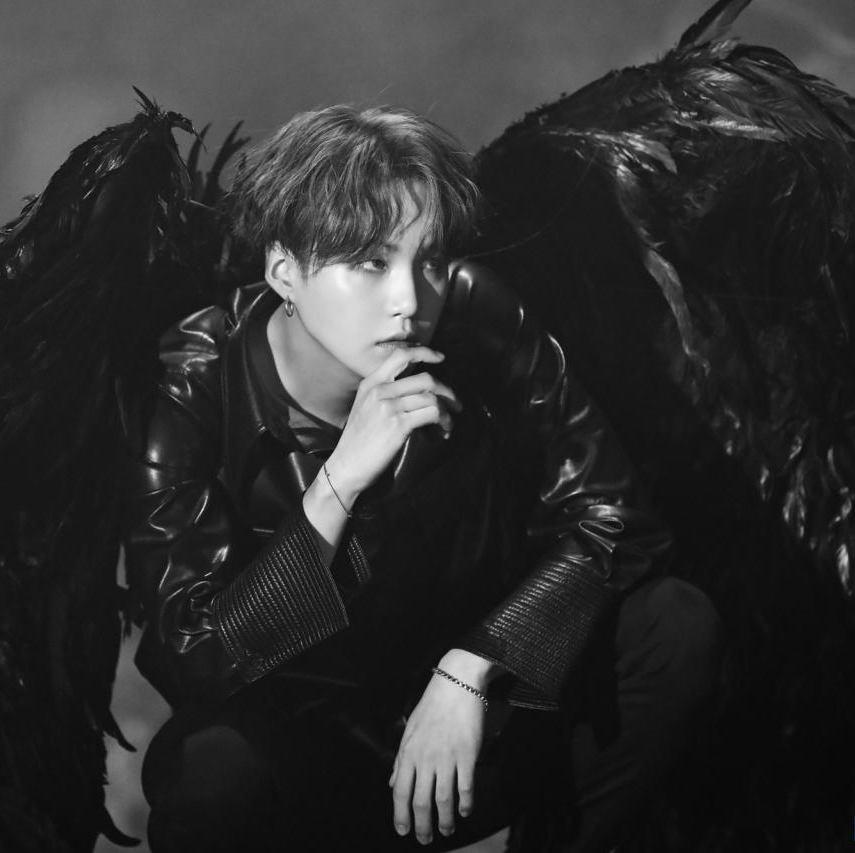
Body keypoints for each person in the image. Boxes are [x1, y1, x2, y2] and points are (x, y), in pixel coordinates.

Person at [125, 104, 721, 852]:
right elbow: (191, 657)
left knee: (672, 625)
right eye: (371, 263)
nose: (410, 301)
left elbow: (617, 518)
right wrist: (337, 484)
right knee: (209, 772)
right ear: (284, 271)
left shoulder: (476, 315)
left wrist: (475, 665)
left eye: (429, 260)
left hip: (462, 731)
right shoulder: (195, 383)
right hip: (305, 768)